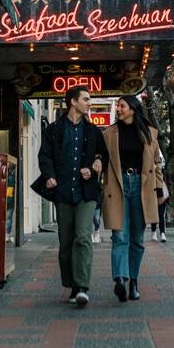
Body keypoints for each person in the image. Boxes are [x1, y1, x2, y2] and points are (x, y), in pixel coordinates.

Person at [38, 86, 107, 308]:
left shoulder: (94, 132)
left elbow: (103, 157)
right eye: (86, 99)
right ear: (73, 102)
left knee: (83, 236)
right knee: (65, 242)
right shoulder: (54, 129)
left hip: (87, 193)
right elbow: (44, 155)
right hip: (63, 192)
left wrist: (96, 165)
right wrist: (49, 176)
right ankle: (70, 282)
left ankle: (82, 287)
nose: (89, 103)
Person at [101, 94, 162, 302]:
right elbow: (101, 157)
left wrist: (160, 187)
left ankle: (134, 281)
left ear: (133, 109)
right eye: (117, 106)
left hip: (141, 187)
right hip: (118, 187)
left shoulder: (150, 133)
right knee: (119, 236)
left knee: (137, 239)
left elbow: (157, 163)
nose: (118, 109)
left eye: (122, 106)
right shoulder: (109, 133)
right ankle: (120, 280)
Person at [150, 166, 170, 242]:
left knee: (161, 216)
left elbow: (168, 184)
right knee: (154, 216)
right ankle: (154, 232)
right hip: (153, 197)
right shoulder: (151, 171)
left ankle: (162, 233)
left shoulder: (163, 172)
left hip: (162, 197)